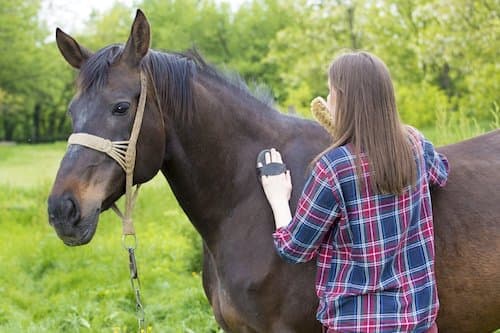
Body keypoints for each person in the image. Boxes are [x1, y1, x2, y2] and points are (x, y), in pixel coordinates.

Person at [256, 51, 449, 333]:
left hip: (358, 324)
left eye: (331, 92)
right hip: (418, 322)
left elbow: (295, 249)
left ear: (342, 99)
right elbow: (441, 172)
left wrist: (278, 199)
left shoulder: (333, 168)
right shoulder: (414, 146)